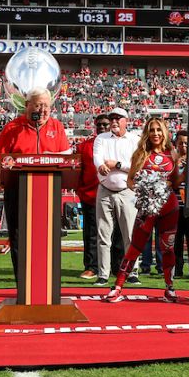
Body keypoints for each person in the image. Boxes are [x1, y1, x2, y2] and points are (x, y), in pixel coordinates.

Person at [0, 89, 71, 281]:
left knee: (47, 238)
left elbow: (68, 159)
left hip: (48, 189)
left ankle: (46, 282)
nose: (42, 110)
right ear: (27, 106)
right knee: (18, 237)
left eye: (46, 106)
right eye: (38, 105)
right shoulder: (13, 127)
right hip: (17, 190)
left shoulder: (56, 126)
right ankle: (23, 283)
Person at [106, 117, 183, 302]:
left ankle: (169, 287)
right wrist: (143, 190)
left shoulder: (172, 154)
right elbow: (131, 180)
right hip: (146, 209)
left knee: (168, 248)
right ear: (147, 133)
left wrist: (183, 174)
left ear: (164, 132)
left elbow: (175, 182)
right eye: (152, 130)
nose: (155, 133)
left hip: (169, 208)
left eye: (158, 130)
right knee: (135, 247)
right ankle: (118, 287)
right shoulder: (140, 154)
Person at [92, 107, 139, 285]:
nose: (113, 121)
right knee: (103, 234)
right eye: (112, 118)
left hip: (127, 191)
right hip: (105, 188)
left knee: (130, 235)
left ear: (126, 120)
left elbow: (137, 164)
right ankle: (103, 274)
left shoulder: (134, 139)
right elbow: (97, 157)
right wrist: (100, 166)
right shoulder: (101, 138)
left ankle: (132, 271)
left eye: (118, 118)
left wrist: (116, 164)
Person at [76, 115, 116, 280]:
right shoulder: (84, 146)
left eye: (105, 124)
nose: (101, 127)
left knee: (116, 233)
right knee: (92, 233)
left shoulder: (116, 143)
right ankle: (92, 266)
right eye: (98, 124)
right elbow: (77, 170)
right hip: (90, 195)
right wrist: (81, 190)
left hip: (114, 193)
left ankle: (116, 266)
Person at [172, 129, 189, 279]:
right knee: (177, 239)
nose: (183, 146)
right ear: (176, 144)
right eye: (181, 143)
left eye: (186, 143)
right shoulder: (173, 160)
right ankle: (178, 269)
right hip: (175, 205)